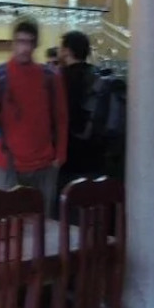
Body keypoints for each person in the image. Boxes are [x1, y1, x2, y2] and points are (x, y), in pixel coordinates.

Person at [0, 18, 67, 214]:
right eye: (20, 41)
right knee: (5, 224)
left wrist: (59, 156)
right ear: (13, 43)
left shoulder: (50, 77)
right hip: (7, 164)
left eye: (29, 42)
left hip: (44, 165)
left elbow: (60, 118)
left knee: (41, 225)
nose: (24, 48)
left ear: (35, 44)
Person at [58, 31, 103, 192]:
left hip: (68, 154)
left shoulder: (59, 78)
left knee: (66, 199)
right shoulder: (98, 76)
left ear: (67, 51)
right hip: (96, 154)